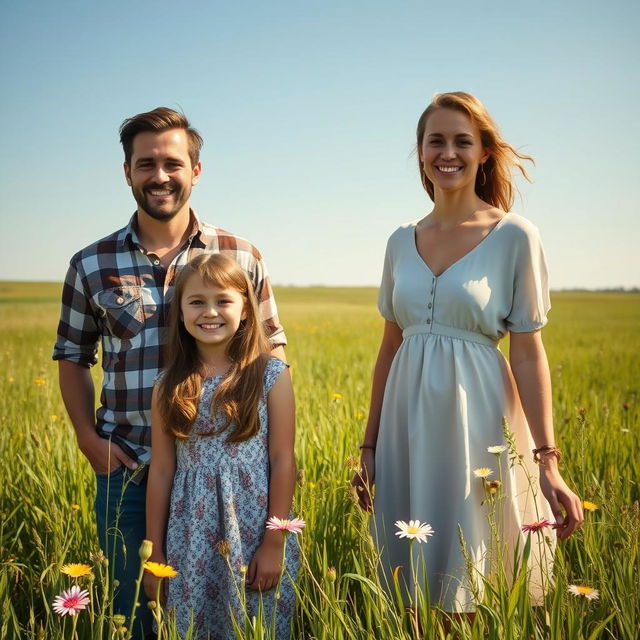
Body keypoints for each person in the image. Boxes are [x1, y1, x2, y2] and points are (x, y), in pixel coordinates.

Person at [53, 108, 286, 639]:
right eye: (146, 163)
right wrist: (90, 440)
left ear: (196, 170)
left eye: (173, 163)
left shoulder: (241, 256)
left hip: (231, 475)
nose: (160, 175)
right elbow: (72, 356)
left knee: (232, 614)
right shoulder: (91, 263)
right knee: (137, 611)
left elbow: (272, 352)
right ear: (127, 171)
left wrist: (267, 465)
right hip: (132, 466)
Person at [352, 92, 583, 613]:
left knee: (472, 572)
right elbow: (390, 347)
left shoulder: (515, 236)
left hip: (479, 421)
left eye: (462, 141)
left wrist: (548, 462)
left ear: (483, 153)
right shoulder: (399, 240)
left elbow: (528, 353)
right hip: (404, 425)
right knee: (409, 582)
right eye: (436, 140)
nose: (448, 153)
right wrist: (369, 447)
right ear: (420, 152)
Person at [143, 253, 299, 640]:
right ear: (180, 313)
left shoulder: (270, 375)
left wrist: (274, 541)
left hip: (254, 531)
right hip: (190, 535)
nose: (209, 311)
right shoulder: (168, 384)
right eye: (196, 301)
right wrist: (154, 554)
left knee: (258, 625)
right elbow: (161, 470)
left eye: (223, 301)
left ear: (246, 309)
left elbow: (283, 460)